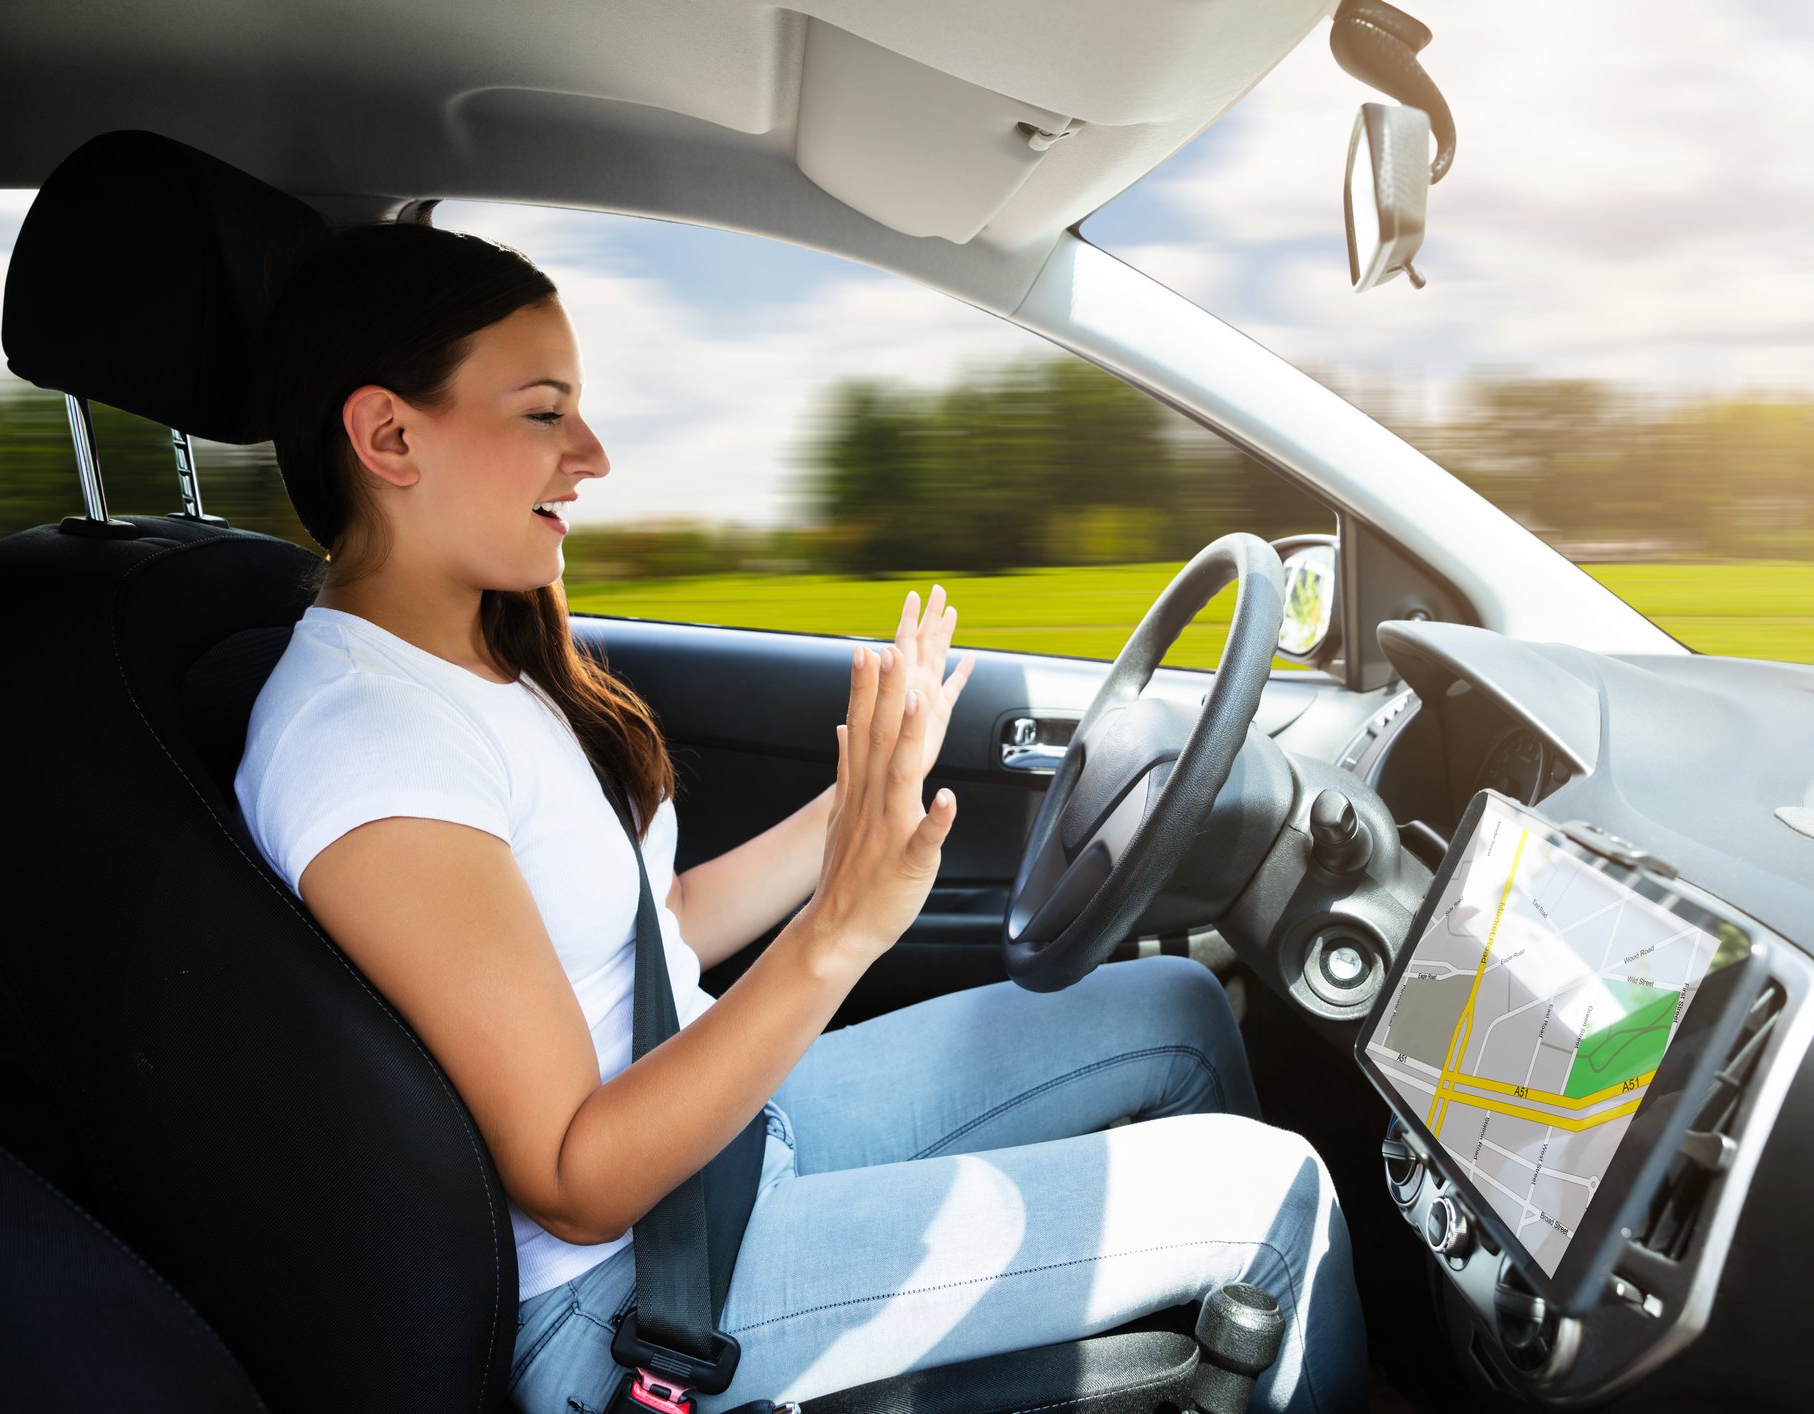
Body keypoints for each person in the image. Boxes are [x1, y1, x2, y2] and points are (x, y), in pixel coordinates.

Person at [235, 221, 1367, 1413]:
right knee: (1272, 1198)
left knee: (1177, 1005)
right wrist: (841, 929)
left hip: (720, 1144)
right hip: (631, 1291)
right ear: (390, 437)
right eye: (544, 412)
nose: (593, 455)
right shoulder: (369, 745)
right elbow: (573, 1179)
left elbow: (646, 927)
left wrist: (853, 810)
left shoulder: (475, 658)